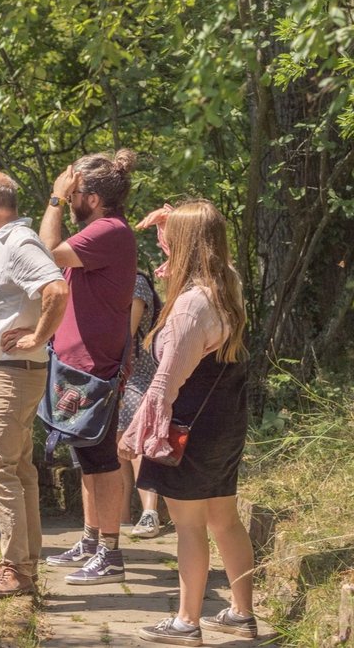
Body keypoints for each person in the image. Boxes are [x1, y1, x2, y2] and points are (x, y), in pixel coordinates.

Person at [120, 201, 256, 645]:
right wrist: (171, 223)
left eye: (171, 241)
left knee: (190, 526)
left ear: (186, 245)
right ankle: (241, 613)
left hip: (187, 431)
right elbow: (191, 253)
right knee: (225, 520)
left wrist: (134, 432)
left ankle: (186, 622)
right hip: (225, 424)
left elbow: (163, 384)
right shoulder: (228, 287)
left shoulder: (190, 306)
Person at [0, 168, 68, 597]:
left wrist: (38, 335)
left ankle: (17, 569)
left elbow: (57, 291)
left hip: (9, 374)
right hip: (9, 373)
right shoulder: (5, 244)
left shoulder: (19, 244)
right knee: (18, 468)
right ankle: (22, 563)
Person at [39, 150, 138, 585]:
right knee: (86, 457)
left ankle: (111, 553)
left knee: (101, 460)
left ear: (92, 198)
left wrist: (54, 201)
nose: (70, 197)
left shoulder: (108, 231)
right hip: (78, 362)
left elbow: (47, 252)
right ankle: (92, 538)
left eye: (76, 192)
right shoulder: (102, 231)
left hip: (95, 365)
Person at [118, 271, 163, 538]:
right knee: (118, 446)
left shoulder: (134, 282)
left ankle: (150, 513)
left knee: (136, 442)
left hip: (139, 374)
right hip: (124, 375)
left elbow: (126, 333)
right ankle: (122, 516)